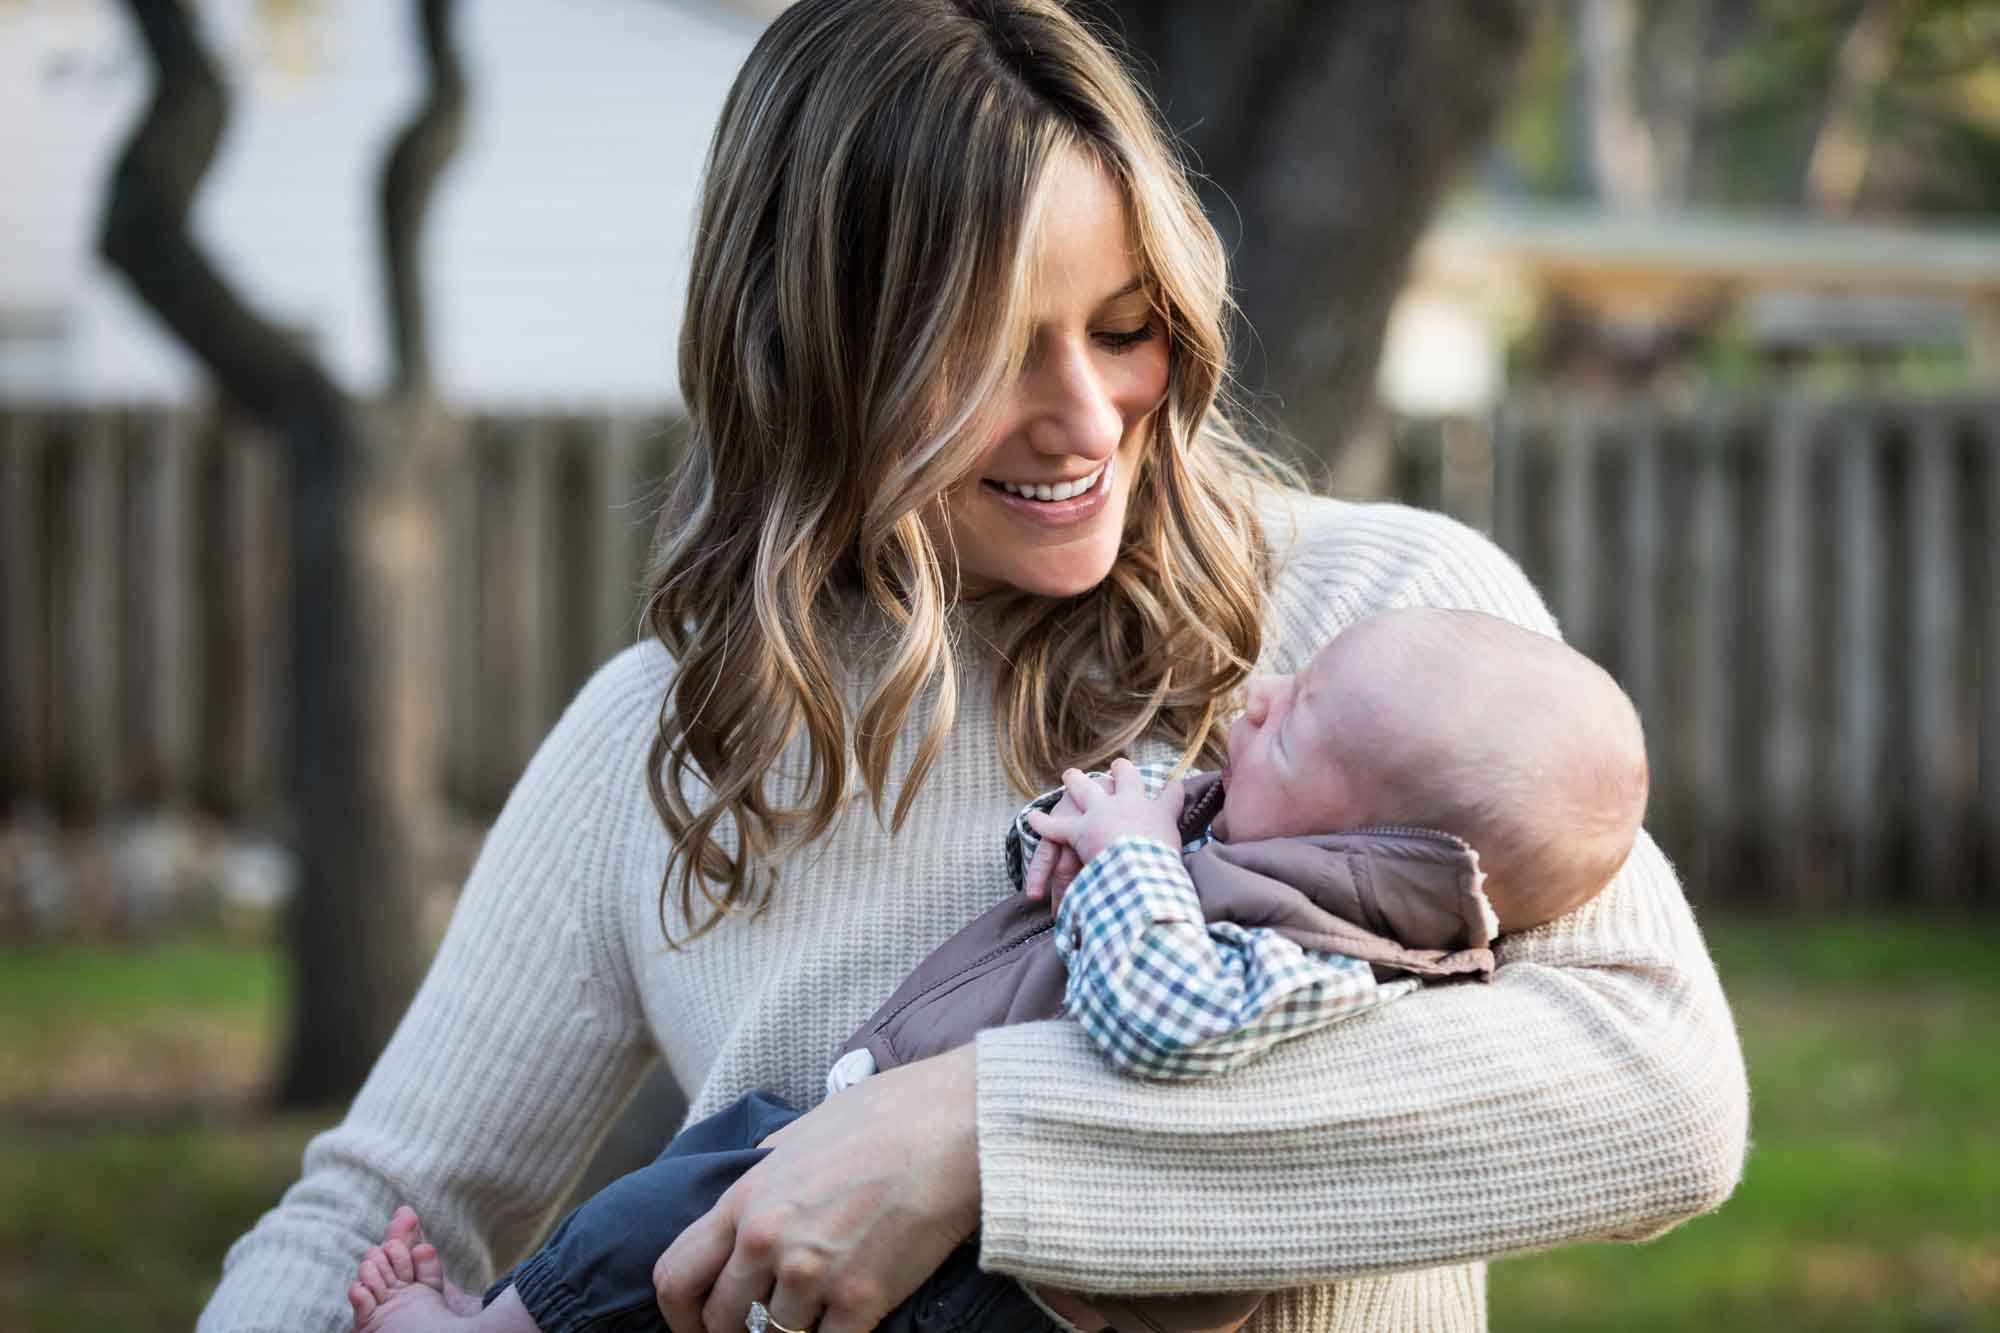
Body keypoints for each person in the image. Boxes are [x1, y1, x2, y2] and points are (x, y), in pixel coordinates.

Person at [198, 3, 1748, 1332]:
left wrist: (977, 1135)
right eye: (994, 350)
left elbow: (1655, 1093)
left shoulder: (1381, 620)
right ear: (813, 356)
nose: (1087, 418)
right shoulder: (665, 739)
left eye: (1128, 325)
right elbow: (377, 1208)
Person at [337, 607, 1653, 1333]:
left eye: (1298, 724)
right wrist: (1082, 835)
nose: (1261, 694)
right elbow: (379, 1179)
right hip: (860, 1189)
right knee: (685, 1211)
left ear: (1378, 844)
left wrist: (1127, 865)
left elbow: (1166, 1016)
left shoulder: (1335, 948)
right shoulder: (1255, 830)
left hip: (1004, 1285)